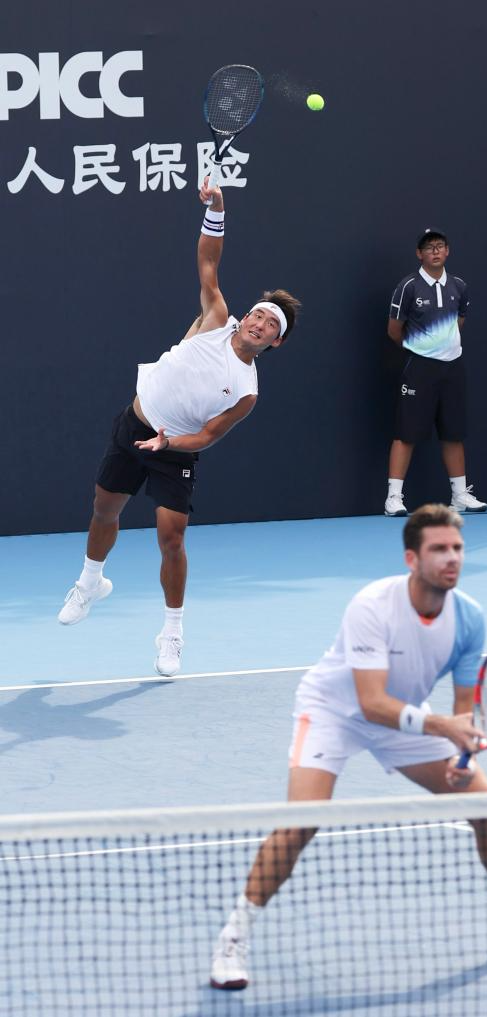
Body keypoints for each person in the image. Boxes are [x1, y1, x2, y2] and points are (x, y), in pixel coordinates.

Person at [209, 503, 487, 990]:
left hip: (408, 719)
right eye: (439, 549)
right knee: (300, 824)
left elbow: (463, 711)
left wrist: (464, 758)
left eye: (457, 548)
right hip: (335, 713)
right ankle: (233, 938)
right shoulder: (372, 606)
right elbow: (372, 702)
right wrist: (443, 727)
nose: (452, 558)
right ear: (411, 559)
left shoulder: (469, 617)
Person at [57, 180, 301, 677]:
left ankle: (172, 632)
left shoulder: (247, 391)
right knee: (104, 509)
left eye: (270, 325)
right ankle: (90, 582)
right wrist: (218, 207)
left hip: (175, 450)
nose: (259, 324)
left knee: (171, 538)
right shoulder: (216, 318)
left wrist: (169, 442)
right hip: (134, 425)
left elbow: (207, 437)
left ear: (275, 342)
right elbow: (208, 260)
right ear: (245, 317)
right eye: (258, 315)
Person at [384, 229, 487, 517]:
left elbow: (459, 321)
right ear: (420, 254)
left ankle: (459, 496)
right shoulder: (408, 287)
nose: (435, 251)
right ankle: (393, 498)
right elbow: (394, 330)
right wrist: (421, 349)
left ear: (447, 251)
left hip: (453, 367)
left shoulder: (459, 286)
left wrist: (443, 346)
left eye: (440, 246)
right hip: (420, 367)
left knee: (453, 432)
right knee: (406, 433)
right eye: (429, 247)